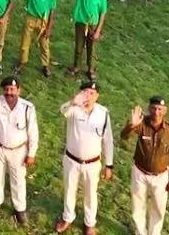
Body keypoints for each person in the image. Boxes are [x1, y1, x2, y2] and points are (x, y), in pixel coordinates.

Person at [54, 80, 114, 235]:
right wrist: (74, 102)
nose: (88, 95)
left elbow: (108, 140)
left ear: (97, 96)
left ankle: (89, 223)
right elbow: (63, 110)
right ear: (80, 93)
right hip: (72, 160)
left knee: (90, 194)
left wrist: (109, 165)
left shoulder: (103, 113)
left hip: (93, 163)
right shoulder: (74, 108)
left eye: (92, 93)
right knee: (69, 190)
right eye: (85, 92)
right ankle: (67, 217)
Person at [0, 76, 38, 225]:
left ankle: (20, 209)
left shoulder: (28, 108)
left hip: (18, 151)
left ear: (19, 90)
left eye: (12, 89)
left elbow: (33, 133)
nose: (9, 93)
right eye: (6, 90)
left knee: (18, 179)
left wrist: (31, 154)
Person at [121, 96, 169, 235]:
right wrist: (132, 125)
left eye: (160, 109)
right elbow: (124, 136)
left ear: (165, 111)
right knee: (138, 206)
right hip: (139, 173)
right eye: (153, 108)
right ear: (149, 108)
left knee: (158, 209)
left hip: (160, 176)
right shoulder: (142, 123)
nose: (156, 112)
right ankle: (140, 232)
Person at [16, 0, 57, 77]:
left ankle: (45, 65)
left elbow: (52, 10)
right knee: (25, 42)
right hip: (30, 17)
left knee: (44, 44)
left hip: (43, 20)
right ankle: (22, 62)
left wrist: (49, 27)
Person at [70, 0, 107, 79]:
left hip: (93, 25)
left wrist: (98, 31)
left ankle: (90, 69)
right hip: (81, 23)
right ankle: (76, 66)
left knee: (91, 48)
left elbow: (103, 13)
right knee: (78, 47)